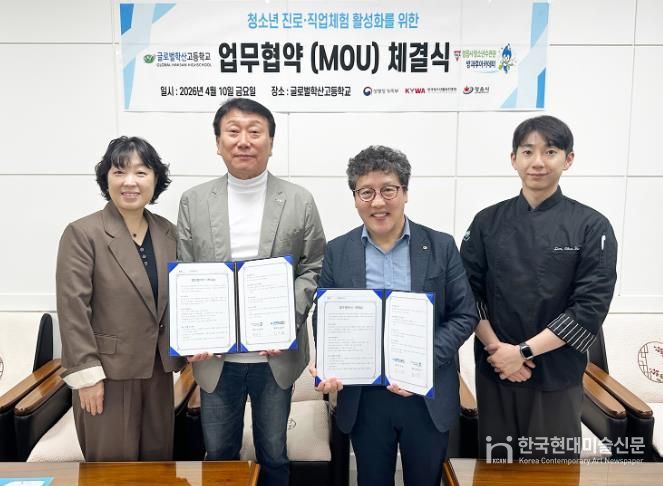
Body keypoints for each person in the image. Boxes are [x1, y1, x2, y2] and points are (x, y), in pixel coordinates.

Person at [177, 98, 325, 486]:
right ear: (218, 142)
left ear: (271, 143)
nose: (244, 141)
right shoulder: (194, 201)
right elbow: (186, 272)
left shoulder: (299, 199)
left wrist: (285, 320)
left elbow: (314, 265)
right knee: (219, 455)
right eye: (233, 131)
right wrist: (193, 333)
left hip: (274, 359)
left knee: (273, 454)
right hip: (216, 359)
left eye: (255, 132)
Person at [312, 145, 477, 486]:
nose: (378, 202)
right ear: (355, 198)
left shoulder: (440, 245)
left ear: (405, 192)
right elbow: (324, 316)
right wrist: (329, 364)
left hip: (425, 392)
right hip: (365, 396)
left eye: (388, 190)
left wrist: (422, 361)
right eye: (366, 192)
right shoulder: (338, 251)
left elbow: (464, 314)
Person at [460, 115, 618, 460]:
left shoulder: (591, 225)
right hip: (496, 369)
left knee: (551, 470)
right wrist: (500, 352)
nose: (538, 162)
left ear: (568, 159)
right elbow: (467, 293)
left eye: (550, 152)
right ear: (513, 159)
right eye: (528, 151)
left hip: (556, 374)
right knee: (496, 468)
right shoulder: (487, 222)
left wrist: (522, 352)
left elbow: (590, 307)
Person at [56, 136, 185, 461]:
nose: (130, 181)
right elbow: (73, 310)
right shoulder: (83, 233)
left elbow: (181, 300)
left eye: (141, 172)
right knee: (112, 472)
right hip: (107, 376)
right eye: (119, 172)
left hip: (158, 373)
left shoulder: (169, 233)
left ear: (155, 180)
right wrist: (87, 378)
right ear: (106, 179)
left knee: (158, 467)